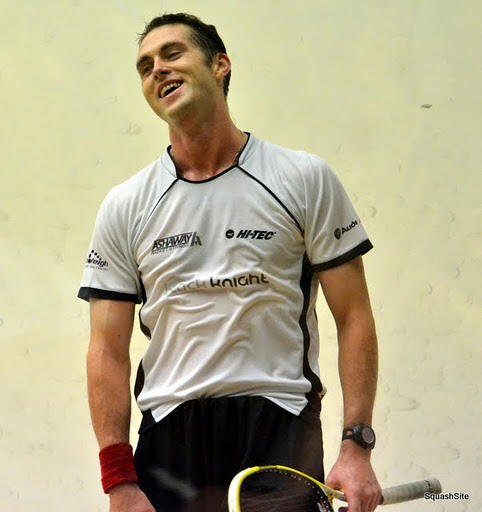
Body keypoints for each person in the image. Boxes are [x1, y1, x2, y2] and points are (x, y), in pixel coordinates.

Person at [79, 12, 381, 512]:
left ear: (220, 64)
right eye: (145, 66)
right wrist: (119, 482)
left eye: (172, 54)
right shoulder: (125, 205)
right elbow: (106, 350)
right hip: (170, 436)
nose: (157, 69)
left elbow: (354, 317)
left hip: (279, 425)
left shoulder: (303, 178)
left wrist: (357, 447)